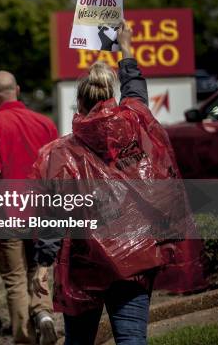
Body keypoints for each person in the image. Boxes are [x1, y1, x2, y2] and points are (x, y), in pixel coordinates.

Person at [30, 21, 205, 344]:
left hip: (84, 265)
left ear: (78, 105)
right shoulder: (137, 126)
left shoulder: (62, 154)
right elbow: (136, 90)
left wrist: (42, 266)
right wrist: (125, 49)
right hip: (136, 259)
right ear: (110, 98)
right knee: (131, 338)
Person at [0, 70, 58, 345]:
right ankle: (44, 315)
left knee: (15, 280)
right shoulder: (45, 123)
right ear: (18, 90)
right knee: (39, 270)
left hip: (6, 213)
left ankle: (24, 339)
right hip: (41, 210)